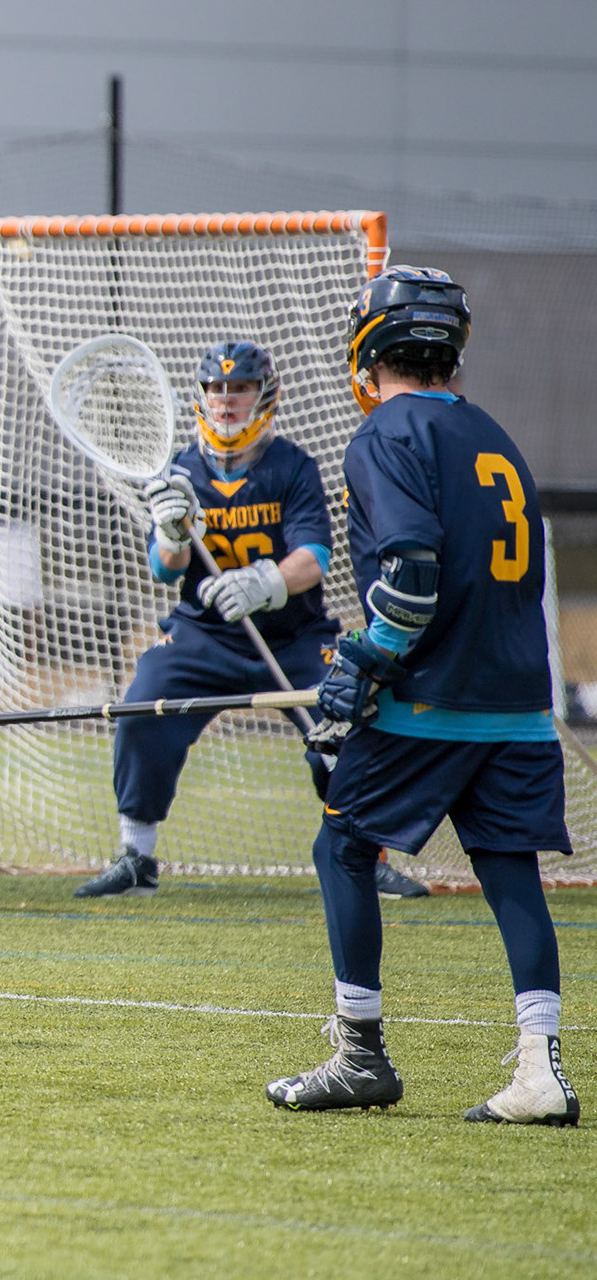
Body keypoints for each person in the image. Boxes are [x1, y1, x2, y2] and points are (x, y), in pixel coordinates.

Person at [267, 267, 580, 1123]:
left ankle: (359, 1055)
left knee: (343, 846)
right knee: (507, 867)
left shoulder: (383, 435)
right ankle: (541, 1071)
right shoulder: (493, 434)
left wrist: (365, 659)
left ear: (367, 353)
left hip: (430, 701)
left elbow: (409, 576)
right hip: (516, 703)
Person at [77, 341, 351, 899]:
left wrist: (264, 582)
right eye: (217, 389)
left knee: (344, 722)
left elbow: (315, 557)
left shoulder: (292, 466)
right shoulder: (181, 471)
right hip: (204, 636)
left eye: (240, 388)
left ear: (265, 395)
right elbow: (164, 566)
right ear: (201, 396)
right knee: (142, 708)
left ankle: (363, 854)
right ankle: (137, 856)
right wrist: (174, 533)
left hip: (293, 638)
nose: (227, 401)